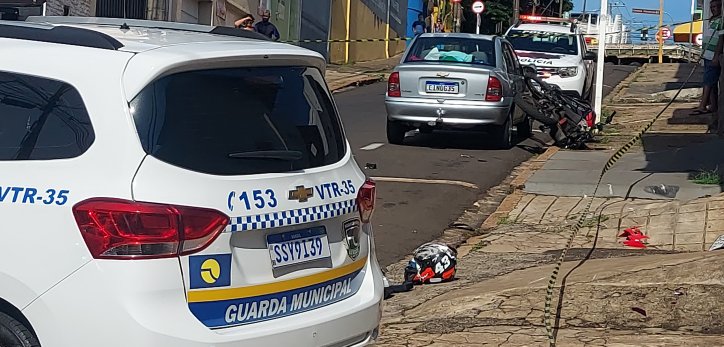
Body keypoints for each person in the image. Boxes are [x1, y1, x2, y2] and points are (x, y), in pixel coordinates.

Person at [694, 0, 722, 117]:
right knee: (711, 82)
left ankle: (702, 105)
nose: (713, 9)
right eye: (712, 7)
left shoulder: (721, 20)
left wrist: (716, 56)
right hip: (706, 55)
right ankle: (713, 106)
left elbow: (721, 40)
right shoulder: (712, 20)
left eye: (716, 6)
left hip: (713, 57)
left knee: (708, 81)